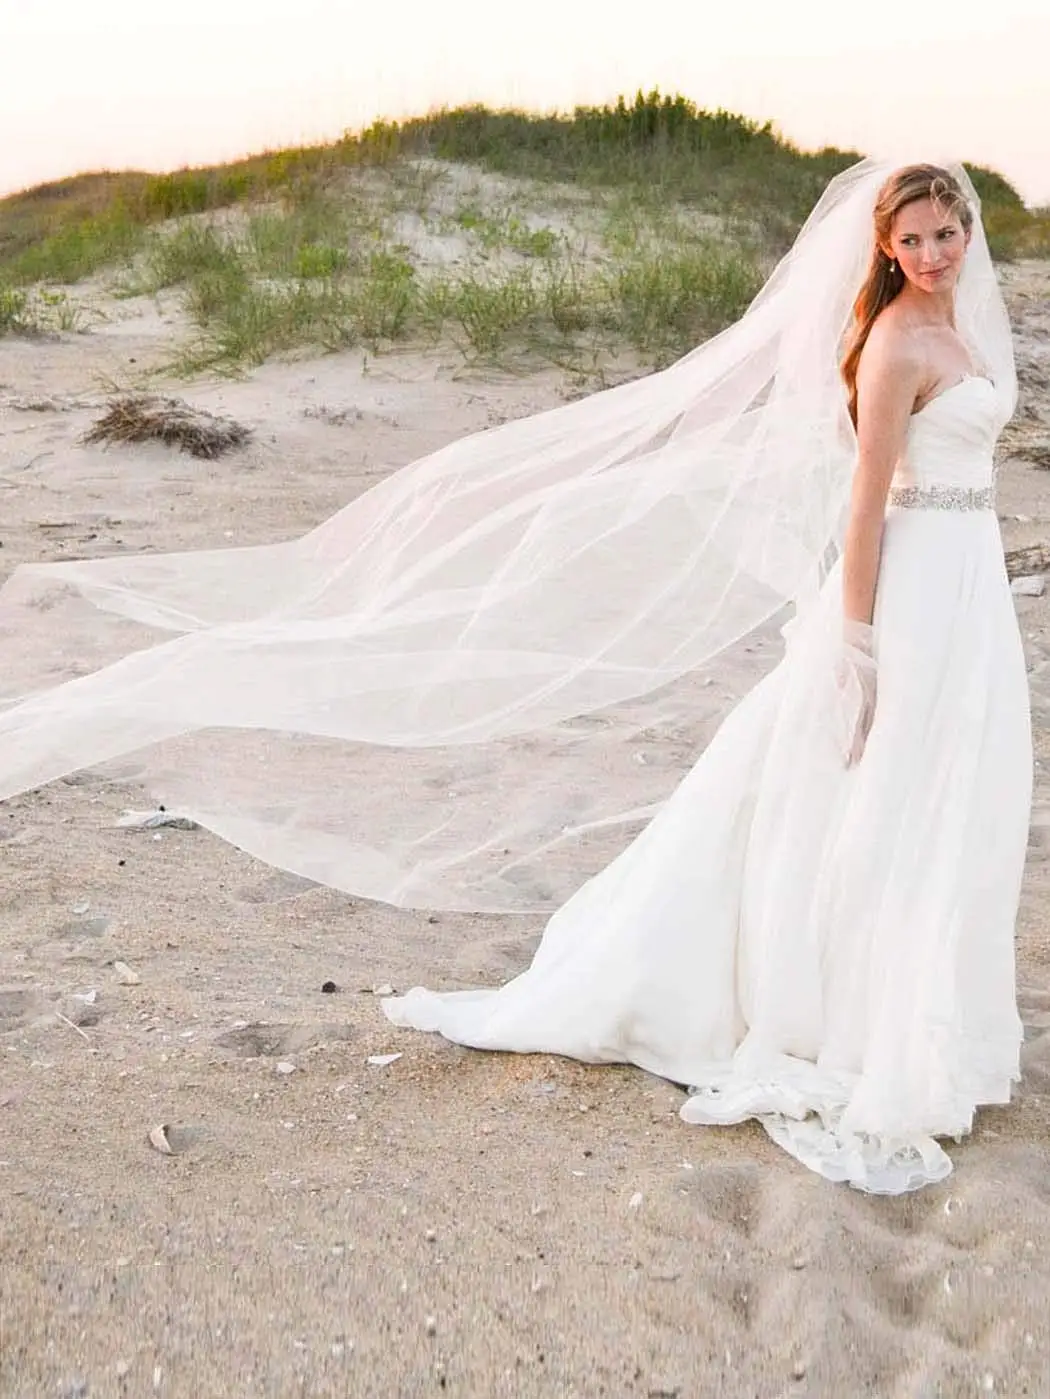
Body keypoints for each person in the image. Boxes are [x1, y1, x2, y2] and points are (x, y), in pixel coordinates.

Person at [0, 160, 1030, 1192]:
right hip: (910, 587)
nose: (935, 255)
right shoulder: (894, 343)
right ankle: (858, 1019)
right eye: (915, 241)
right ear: (886, 251)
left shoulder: (967, 328)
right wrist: (853, 644)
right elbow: (863, 505)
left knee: (951, 790)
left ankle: (932, 1013)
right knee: (887, 784)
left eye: (949, 234)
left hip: (969, 580)